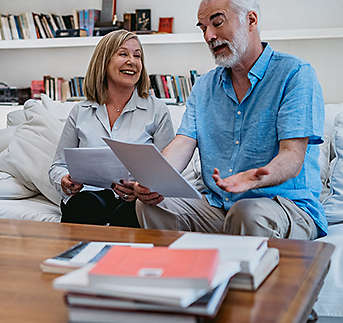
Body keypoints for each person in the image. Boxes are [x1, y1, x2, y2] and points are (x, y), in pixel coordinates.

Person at [134, 0, 326, 239]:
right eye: (203, 28)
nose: (209, 36)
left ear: (251, 20)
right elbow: (183, 143)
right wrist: (154, 180)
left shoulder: (295, 74)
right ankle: (178, 273)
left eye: (217, 22)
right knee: (152, 205)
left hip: (284, 206)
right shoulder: (204, 86)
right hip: (220, 206)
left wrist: (254, 177)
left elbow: (292, 157)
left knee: (247, 212)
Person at [49, 30, 175, 227]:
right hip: (87, 198)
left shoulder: (157, 110)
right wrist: (64, 181)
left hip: (134, 201)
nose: (132, 61)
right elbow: (58, 166)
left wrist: (140, 189)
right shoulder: (80, 111)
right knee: (85, 205)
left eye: (137, 55)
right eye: (123, 54)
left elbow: (168, 171)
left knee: (131, 213)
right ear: (103, 62)